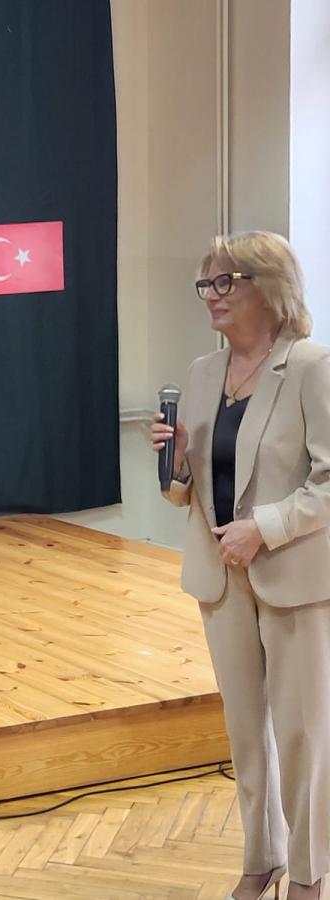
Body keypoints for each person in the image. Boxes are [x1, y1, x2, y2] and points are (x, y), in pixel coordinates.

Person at [152, 231, 330, 900]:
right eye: (206, 283)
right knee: (245, 732)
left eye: (226, 282)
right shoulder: (203, 373)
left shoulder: (311, 367)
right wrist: (174, 463)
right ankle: (262, 858)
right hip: (220, 577)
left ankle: (309, 874)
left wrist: (267, 528)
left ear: (270, 287)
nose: (212, 296)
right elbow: (185, 494)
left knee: (303, 733)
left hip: (294, 575)